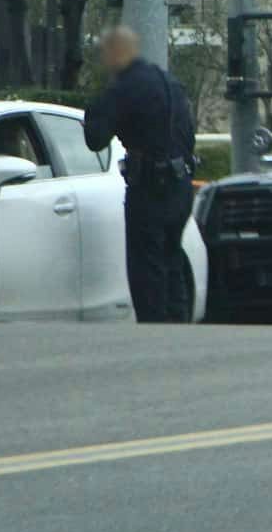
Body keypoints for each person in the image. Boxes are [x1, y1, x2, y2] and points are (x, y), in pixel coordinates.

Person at [83, 26, 198, 323]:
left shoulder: (125, 87)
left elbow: (95, 137)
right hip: (181, 183)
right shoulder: (170, 82)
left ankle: (155, 332)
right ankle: (179, 328)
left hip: (150, 187)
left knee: (147, 268)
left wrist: (95, 104)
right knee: (172, 259)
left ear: (116, 53)